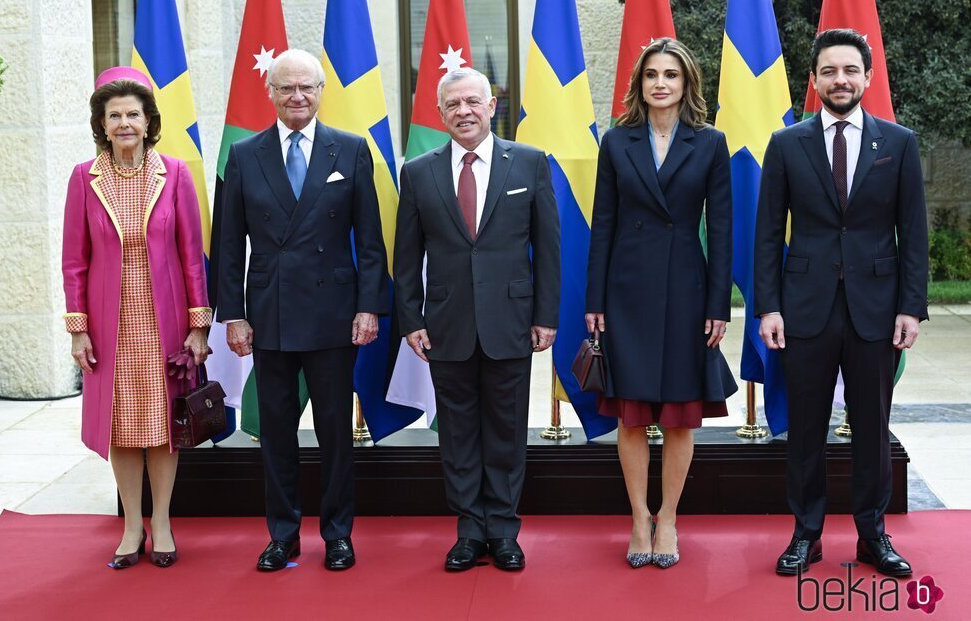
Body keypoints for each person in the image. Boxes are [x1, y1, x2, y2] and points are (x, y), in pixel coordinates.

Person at [755, 29, 928, 577]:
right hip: (804, 308)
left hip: (876, 309)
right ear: (814, 80)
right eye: (829, 71)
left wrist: (911, 306)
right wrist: (769, 307)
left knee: (872, 428)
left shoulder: (898, 144)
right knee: (806, 427)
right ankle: (806, 534)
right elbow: (766, 234)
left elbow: (913, 232)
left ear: (868, 78)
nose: (840, 80)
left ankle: (873, 536)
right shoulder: (786, 144)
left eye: (850, 70)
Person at [216, 49, 389, 572]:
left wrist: (369, 308)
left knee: (336, 432)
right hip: (269, 315)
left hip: (335, 313)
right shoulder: (245, 155)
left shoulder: (351, 149)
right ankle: (283, 533)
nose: (297, 97)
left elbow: (372, 241)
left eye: (306, 88)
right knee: (276, 432)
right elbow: (228, 245)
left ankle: (338, 535)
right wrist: (234, 314)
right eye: (286, 88)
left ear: (320, 92)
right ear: (269, 92)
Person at [393, 67, 560, 572]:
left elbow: (548, 247)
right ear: (440, 113)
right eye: (452, 104)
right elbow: (406, 255)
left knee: (507, 432)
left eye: (472, 101)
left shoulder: (528, 163)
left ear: (492, 106)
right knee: (459, 433)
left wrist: (546, 315)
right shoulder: (419, 171)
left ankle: (504, 532)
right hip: (446, 325)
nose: (463, 111)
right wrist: (411, 318)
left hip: (511, 321)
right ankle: (469, 531)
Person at [585, 38, 736, 569]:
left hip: (687, 291)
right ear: (640, 83)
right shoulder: (616, 141)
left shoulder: (710, 143)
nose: (661, 83)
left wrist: (720, 304)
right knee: (630, 416)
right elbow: (602, 225)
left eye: (671, 74)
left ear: (686, 82)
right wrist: (594, 299)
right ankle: (637, 518)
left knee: (677, 415)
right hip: (625, 290)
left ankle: (668, 518)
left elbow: (721, 229)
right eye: (652, 74)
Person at [62, 67, 211, 568]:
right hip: (110, 328)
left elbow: (192, 255)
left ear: (149, 122)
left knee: (163, 426)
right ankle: (131, 528)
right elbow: (74, 260)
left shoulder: (175, 174)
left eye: (133, 114)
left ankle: (163, 523)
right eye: (114, 115)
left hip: (162, 323)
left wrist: (197, 325)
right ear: (102, 125)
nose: (125, 123)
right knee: (121, 428)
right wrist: (78, 329)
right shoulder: (85, 178)